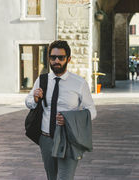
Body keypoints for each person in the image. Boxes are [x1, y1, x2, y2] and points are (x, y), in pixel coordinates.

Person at [25, 40, 97, 180]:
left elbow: (92, 111)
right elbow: (28, 103)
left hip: (68, 138)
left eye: (61, 57)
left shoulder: (79, 83)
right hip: (46, 138)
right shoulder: (42, 80)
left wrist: (70, 118)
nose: (56, 61)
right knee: (52, 177)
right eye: (53, 57)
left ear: (68, 59)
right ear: (49, 58)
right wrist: (34, 98)